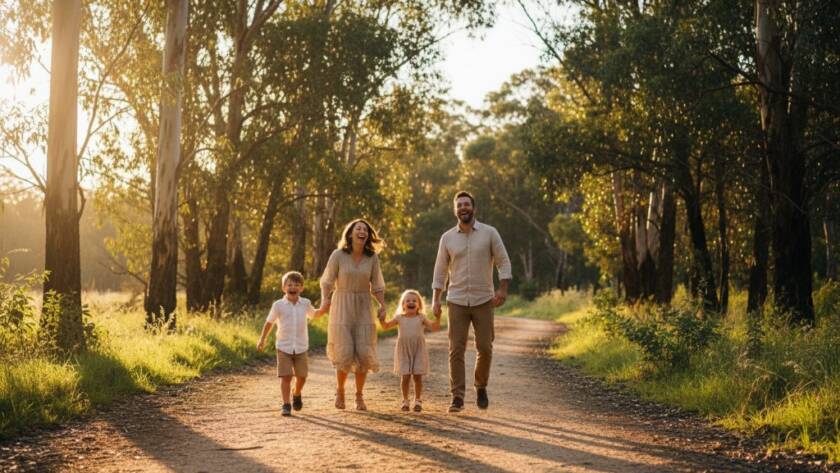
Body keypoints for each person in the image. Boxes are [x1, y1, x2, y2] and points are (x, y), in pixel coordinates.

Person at [432, 191, 512, 413]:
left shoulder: (489, 233)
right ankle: (457, 397)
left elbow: (503, 262)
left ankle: (481, 385)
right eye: (459, 205)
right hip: (456, 300)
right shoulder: (447, 238)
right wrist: (435, 299)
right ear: (455, 210)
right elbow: (439, 271)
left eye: (466, 204)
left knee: (485, 347)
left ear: (473, 208)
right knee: (455, 349)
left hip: (483, 300)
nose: (463, 208)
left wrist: (503, 290)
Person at [320, 218, 387, 411]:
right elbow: (327, 281)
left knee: (364, 351)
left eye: (365, 229)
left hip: (364, 305)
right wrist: (325, 299)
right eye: (358, 229)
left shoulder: (372, 257)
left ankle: (359, 395)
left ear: (368, 235)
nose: (362, 232)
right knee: (344, 350)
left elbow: (377, 285)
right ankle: (340, 391)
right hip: (342, 304)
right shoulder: (338, 255)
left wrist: (382, 305)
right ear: (350, 233)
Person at [256, 271, 328, 416]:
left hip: (301, 347)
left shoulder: (305, 303)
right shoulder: (278, 305)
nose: (293, 287)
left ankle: (296, 393)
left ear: (301, 288)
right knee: (286, 376)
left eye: (296, 285)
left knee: (302, 376)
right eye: (289, 284)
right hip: (283, 346)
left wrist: (324, 307)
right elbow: (269, 322)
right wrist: (262, 339)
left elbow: (314, 315)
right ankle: (286, 404)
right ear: (284, 288)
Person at [378, 289, 441, 412]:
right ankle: (405, 400)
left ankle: (417, 400)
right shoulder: (399, 318)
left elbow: (434, 327)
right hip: (404, 350)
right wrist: (381, 319)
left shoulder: (421, 317)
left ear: (419, 305)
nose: (411, 302)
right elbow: (385, 326)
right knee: (405, 376)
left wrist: (438, 317)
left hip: (418, 349)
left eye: (414, 301)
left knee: (417, 376)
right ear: (403, 305)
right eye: (408, 301)